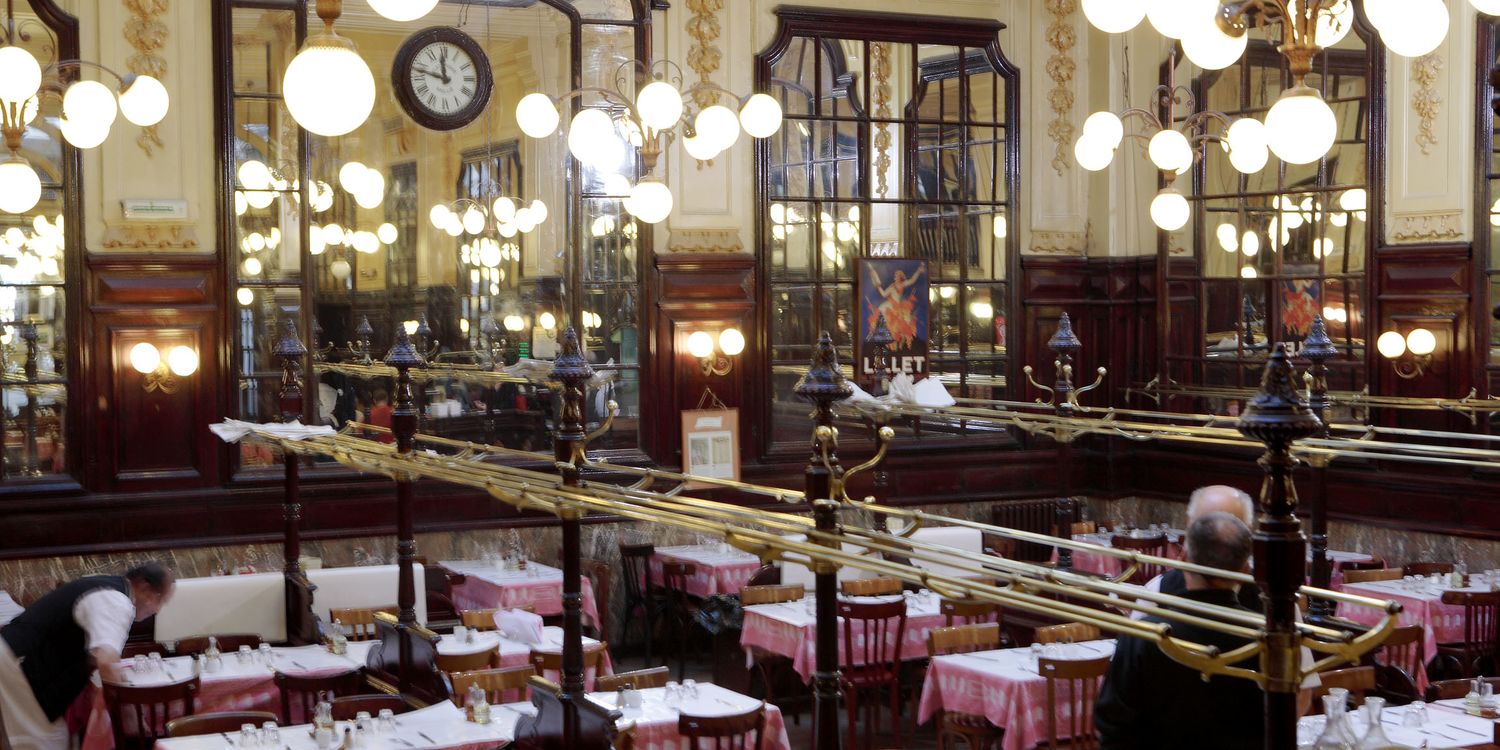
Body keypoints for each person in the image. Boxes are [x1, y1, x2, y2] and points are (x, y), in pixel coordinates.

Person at [1095, 513, 1266, 750]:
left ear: (1183, 558)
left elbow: (1113, 726)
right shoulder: (1269, 637)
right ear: (1246, 569)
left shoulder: (1144, 634)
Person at [0, 563, 175, 750]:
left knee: (50, 739)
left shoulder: (108, 588)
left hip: (19, 658)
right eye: (159, 599)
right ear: (144, 587)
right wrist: (129, 712)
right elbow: (107, 661)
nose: (158, 610)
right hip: (21, 662)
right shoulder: (116, 601)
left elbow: (94, 656)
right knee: (44, 742)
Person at [1134, 485, 1261, 615]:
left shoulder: (1268, 599)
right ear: (1188, 526)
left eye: (1230, 531)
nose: (1217, 543)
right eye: (1205, 531)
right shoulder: (1157, 591)